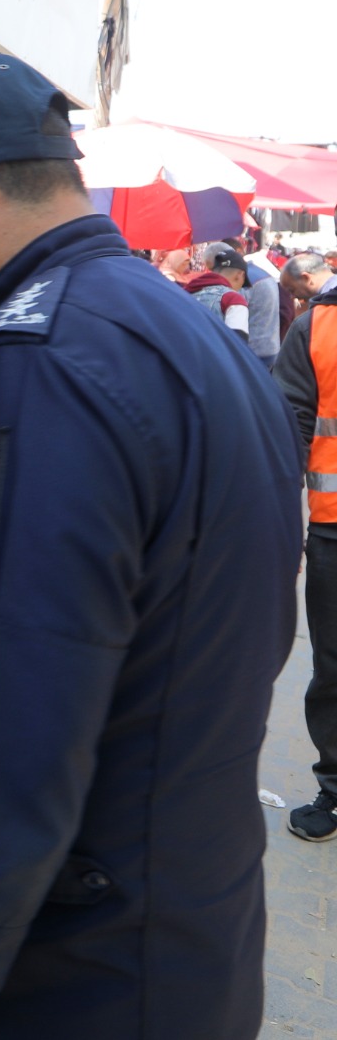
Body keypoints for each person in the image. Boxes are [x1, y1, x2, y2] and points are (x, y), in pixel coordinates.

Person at [0, 51, 302, 1040]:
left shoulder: (33, 371)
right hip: (180, 929)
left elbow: (7, 728)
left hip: (73, 970)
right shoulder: (180, 333)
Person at [270, 259, 337, 842]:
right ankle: (336, 790)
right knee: (334, 667)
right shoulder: (315, 325)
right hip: (334, 528)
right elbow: (289, 424)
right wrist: (277, 525)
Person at [209, 240, 280, 368]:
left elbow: (230, 316)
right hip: (268, 347)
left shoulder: (242, 280)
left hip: (253, 351)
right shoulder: (259, 273)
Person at [183, 245, 251, 342]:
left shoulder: (185, 292)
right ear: (240, 275)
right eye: (243, 283)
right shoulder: (233, 299)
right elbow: (237, 345)